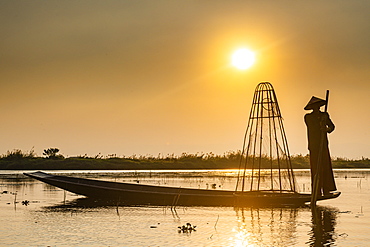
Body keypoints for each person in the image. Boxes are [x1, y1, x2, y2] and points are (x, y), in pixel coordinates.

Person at [304, 96, 336, 196]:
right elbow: (312, 127)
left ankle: (327, 189)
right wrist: (320, 124)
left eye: (318, 106)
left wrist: (326, 129)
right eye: (314, 106)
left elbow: (332, 126)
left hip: (323, 144)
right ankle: (316, 191)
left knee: (325, 166)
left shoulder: (325, 115)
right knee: (315, 168)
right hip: (314, 145)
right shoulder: (308, 117)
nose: (317, 108)